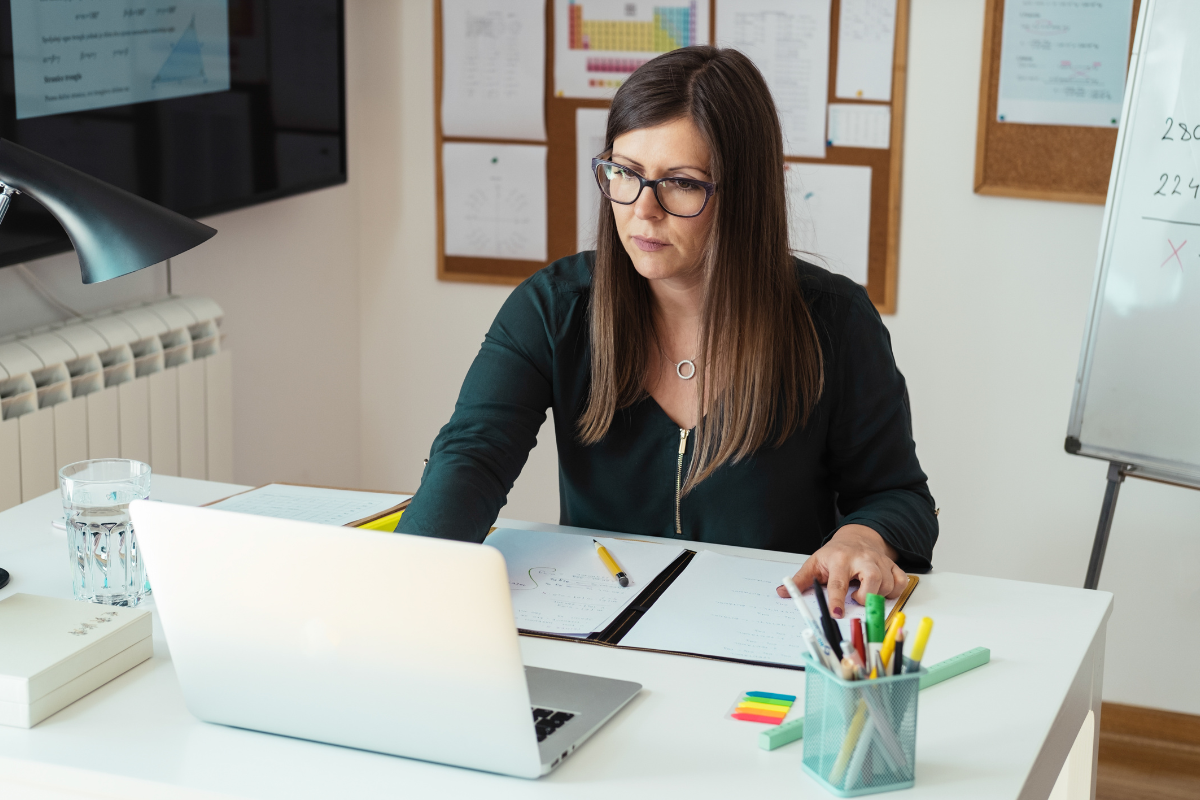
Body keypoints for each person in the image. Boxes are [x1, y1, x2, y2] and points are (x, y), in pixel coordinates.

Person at [399, 46, 937, 618]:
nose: (642, 210)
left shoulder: (835, 322)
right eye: (625, 174)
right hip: (604, 630)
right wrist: (405, 576)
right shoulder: (554, 308)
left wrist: (863, 536)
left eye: (681, 183)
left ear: (744, 193)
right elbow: (472, 456)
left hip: (767, 633)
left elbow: (900, 498)